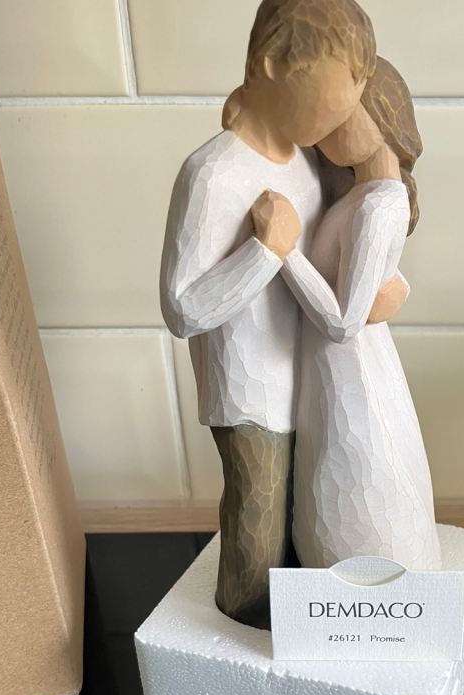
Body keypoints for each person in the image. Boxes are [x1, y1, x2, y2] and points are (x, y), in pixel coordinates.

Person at [160, 0, 405, 627]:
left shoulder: (306, 163)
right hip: (251, 397)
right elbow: (183, 309)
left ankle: (298, 637)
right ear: (272, 64)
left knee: (302, 536)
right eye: (335, 94)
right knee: (259, 537)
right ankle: (244, 641)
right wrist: (264, 250)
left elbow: (334, 251)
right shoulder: (213, 174)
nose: (344, 113)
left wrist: (384, 287)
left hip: (310, 385)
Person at [251, 58, 441, 571]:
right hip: (342, 373)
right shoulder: (364, 197)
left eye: (341, 115)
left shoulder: (378, 206)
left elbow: (342, 323)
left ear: (381, 116)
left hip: (351, 376)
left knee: (357, 484)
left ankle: (367, 588)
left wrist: (283, 250)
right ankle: (348, 589)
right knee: (341, 484)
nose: (325, 128)